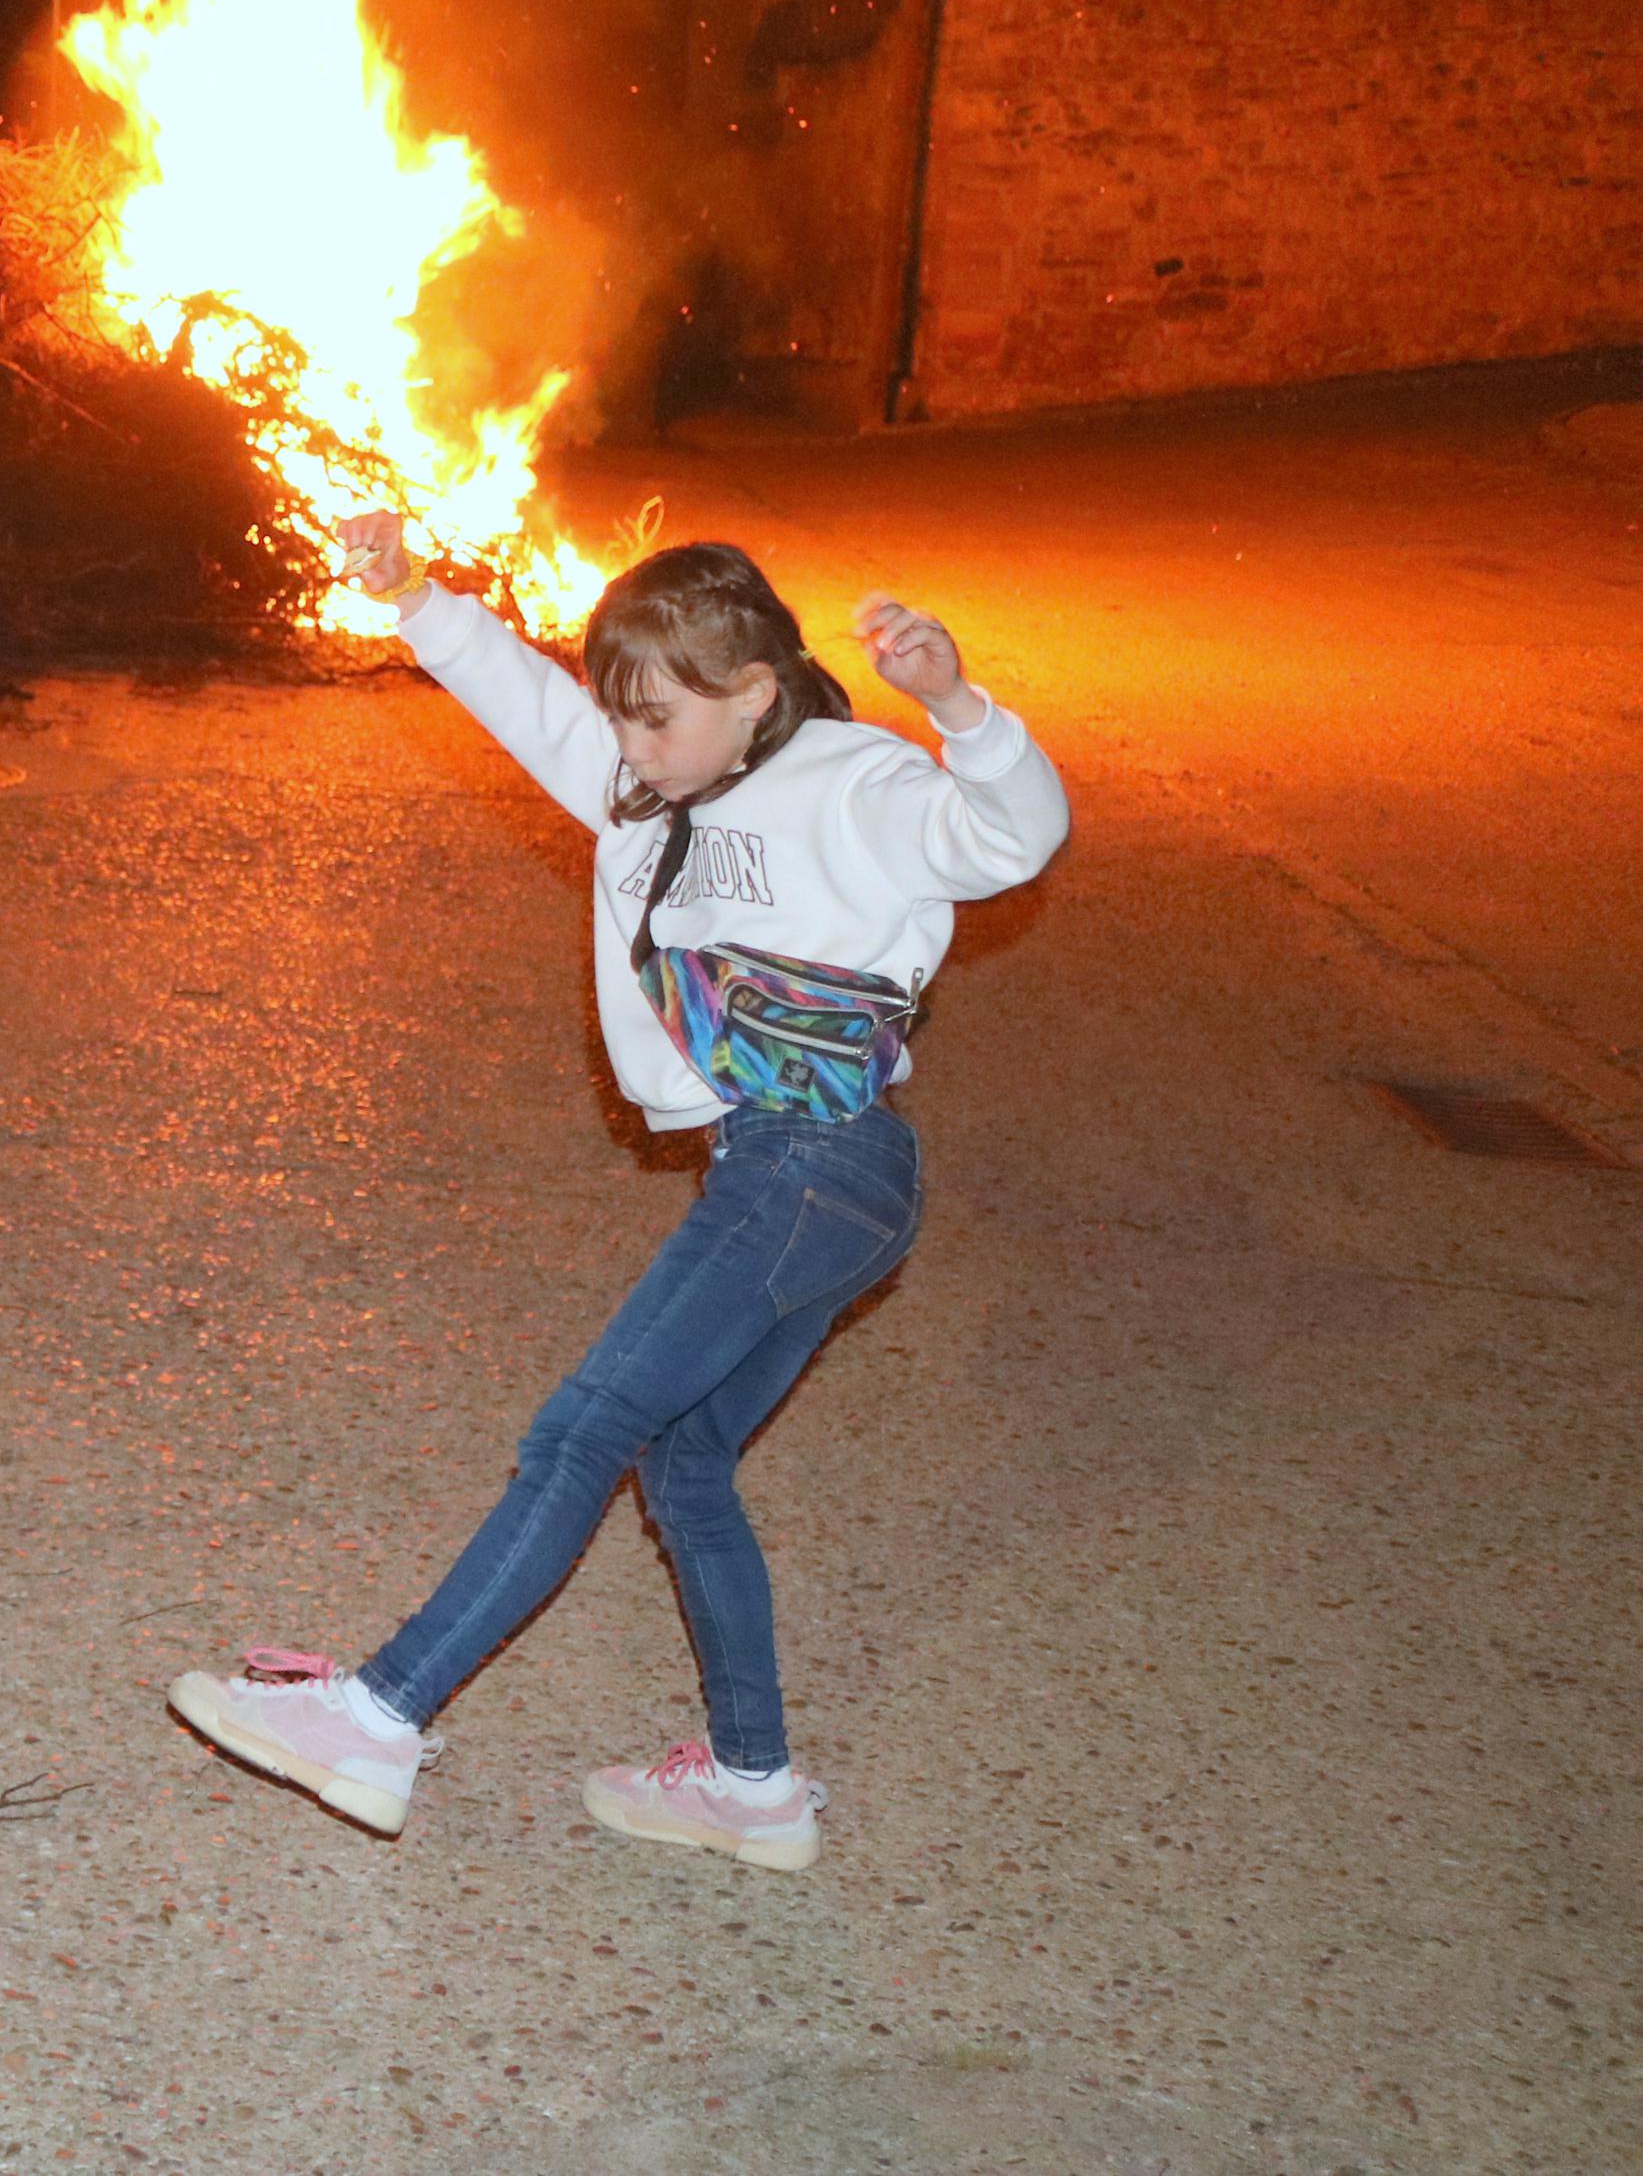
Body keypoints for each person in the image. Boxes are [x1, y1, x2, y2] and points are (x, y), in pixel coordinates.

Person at [170, 520, 1065, 1870]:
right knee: (684, 1458)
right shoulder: (654, 786)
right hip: (814, 1176)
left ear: (752, 688)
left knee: (581, 1425)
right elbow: (523, 700)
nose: (626, 743)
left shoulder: (851, 779)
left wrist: (955, 706)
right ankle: (750, 1786)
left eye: (653, 716)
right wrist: (411, 593)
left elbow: (1011, 831)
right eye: (618, 717)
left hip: (814, 1153)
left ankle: (376, 1713)